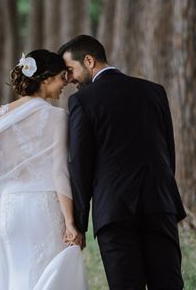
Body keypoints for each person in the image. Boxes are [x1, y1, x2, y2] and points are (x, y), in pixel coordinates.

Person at [59, 35, 186, 289]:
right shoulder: (154, 91)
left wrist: (80, 223)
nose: (70, 79)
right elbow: (168, 152)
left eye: (70, 70)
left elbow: (80, 166)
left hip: (114, 211)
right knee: (169, 284)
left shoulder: (82, 101)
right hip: (160, 205)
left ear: (89, 60)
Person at [0, 49, 88, 290]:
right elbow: (59, 172)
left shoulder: (0, 114)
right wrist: (71, 222)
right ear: (46, 78)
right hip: (43, 209)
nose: (65, 84)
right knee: (45, 276)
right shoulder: (58, 117)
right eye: (62, 77)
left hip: (9, 209)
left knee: (18, 277)